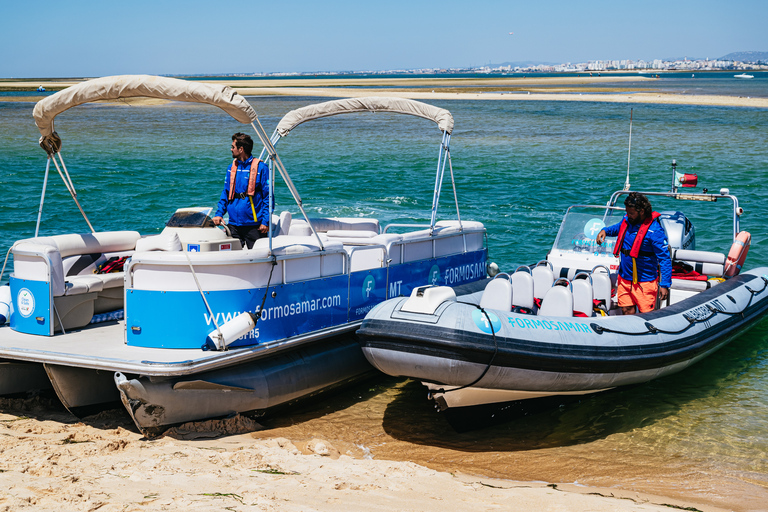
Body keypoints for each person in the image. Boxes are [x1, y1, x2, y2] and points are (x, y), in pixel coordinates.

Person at [596, 192, 672, 315]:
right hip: (625, 278)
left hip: (645, 282)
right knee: (626, 310)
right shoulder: (627, 220)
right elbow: (618, 227)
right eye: (627, 212)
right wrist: (605, 230)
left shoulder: (655, 231)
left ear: (641, 211)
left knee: (646, 315)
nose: (628, 215)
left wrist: (665, 284)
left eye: (631, 213)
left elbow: (664, 259)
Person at [212, 133, 270, 249]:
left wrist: (265, 221)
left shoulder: (261, 168)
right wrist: (219, 214)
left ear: (241, 149)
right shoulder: (231, 168)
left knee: (257, 259)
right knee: (231, 258)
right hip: (233, 224)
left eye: (233, 147)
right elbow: (226, 193)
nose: (231, 149)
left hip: (254, 226)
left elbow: (268, 197)